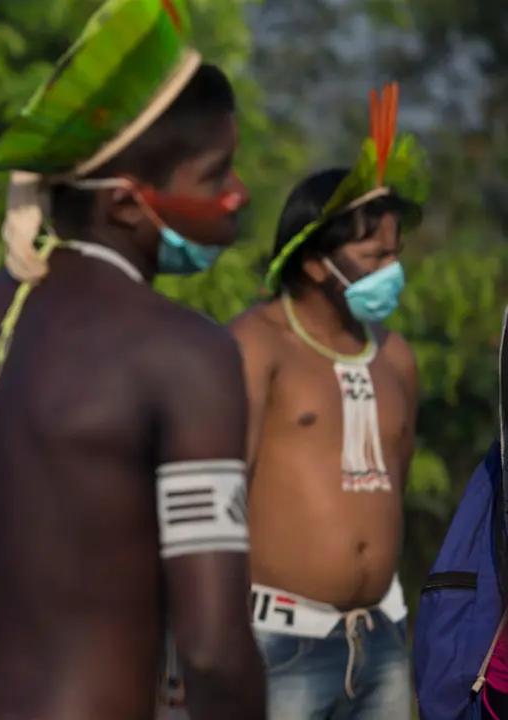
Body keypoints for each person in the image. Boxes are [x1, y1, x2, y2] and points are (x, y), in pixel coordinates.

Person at [0, 1, 266, 718]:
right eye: (215, 173)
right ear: (129, 203)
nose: (237, 195)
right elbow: (212, 648)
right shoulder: (182, 352)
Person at [229, 82, 427, 719]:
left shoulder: (395, 356)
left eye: (395, 255)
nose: (390, 271)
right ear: (316, 263)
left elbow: (396, 479)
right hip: (276, 644)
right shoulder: (258, 346)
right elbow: (214, 498)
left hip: (382, 638)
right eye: (373, 256)